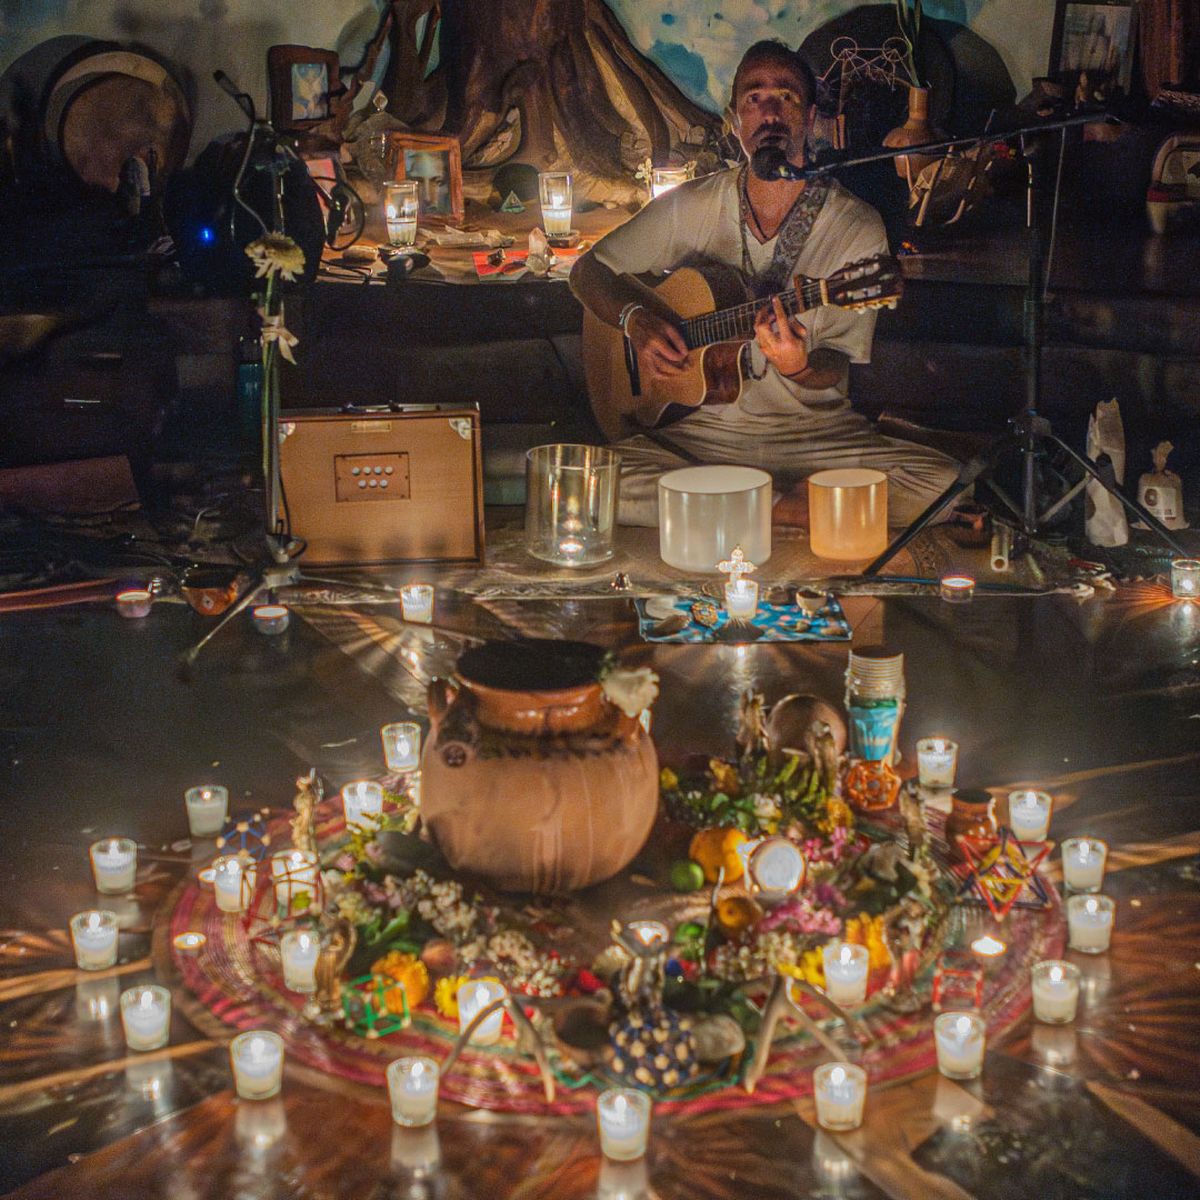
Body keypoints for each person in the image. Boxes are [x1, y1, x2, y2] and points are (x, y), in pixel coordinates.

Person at [570, 39, 959, 528]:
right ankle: (795, 510)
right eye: (754, 98)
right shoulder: (691, 206)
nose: (769, 111)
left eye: (786, 97)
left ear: (810, 115)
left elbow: (834, 365)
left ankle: (746, 508)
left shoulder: (855, 225)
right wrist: (637, 320)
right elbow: (588, 271)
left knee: (943, 482)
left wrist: (798, 368)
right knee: (589, 483)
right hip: (702, 433)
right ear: (735, 119)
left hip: (815, 436)